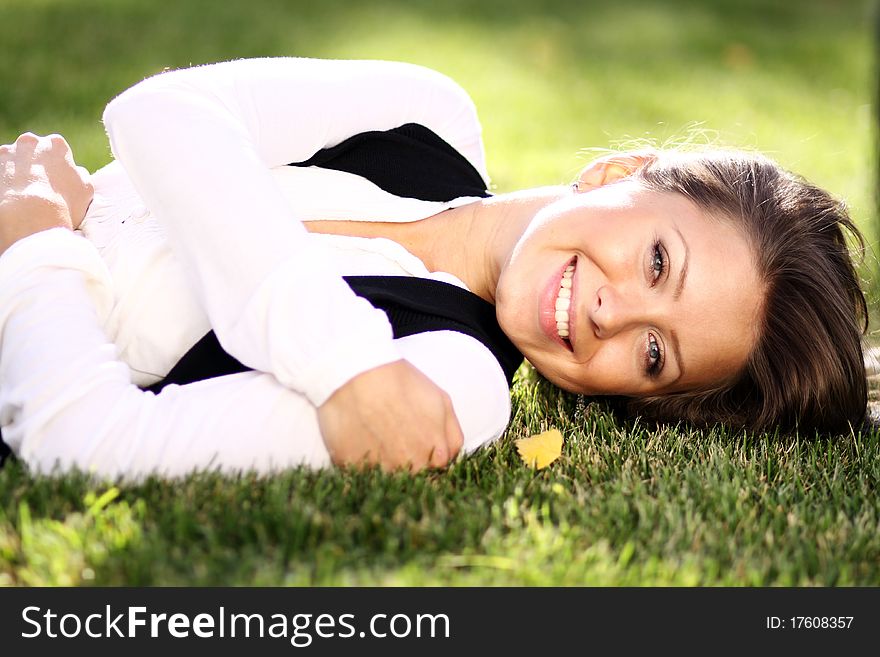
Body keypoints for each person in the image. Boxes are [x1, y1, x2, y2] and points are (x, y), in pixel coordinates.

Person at [0, 58, 868, 480]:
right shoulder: (423, 119)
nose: (615, 315)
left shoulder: (451, 384)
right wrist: (338, 358)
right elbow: (159, 110)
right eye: (656, 262)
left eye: (655, 354)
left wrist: (36, 239)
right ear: (621, 172)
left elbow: (85, 442)